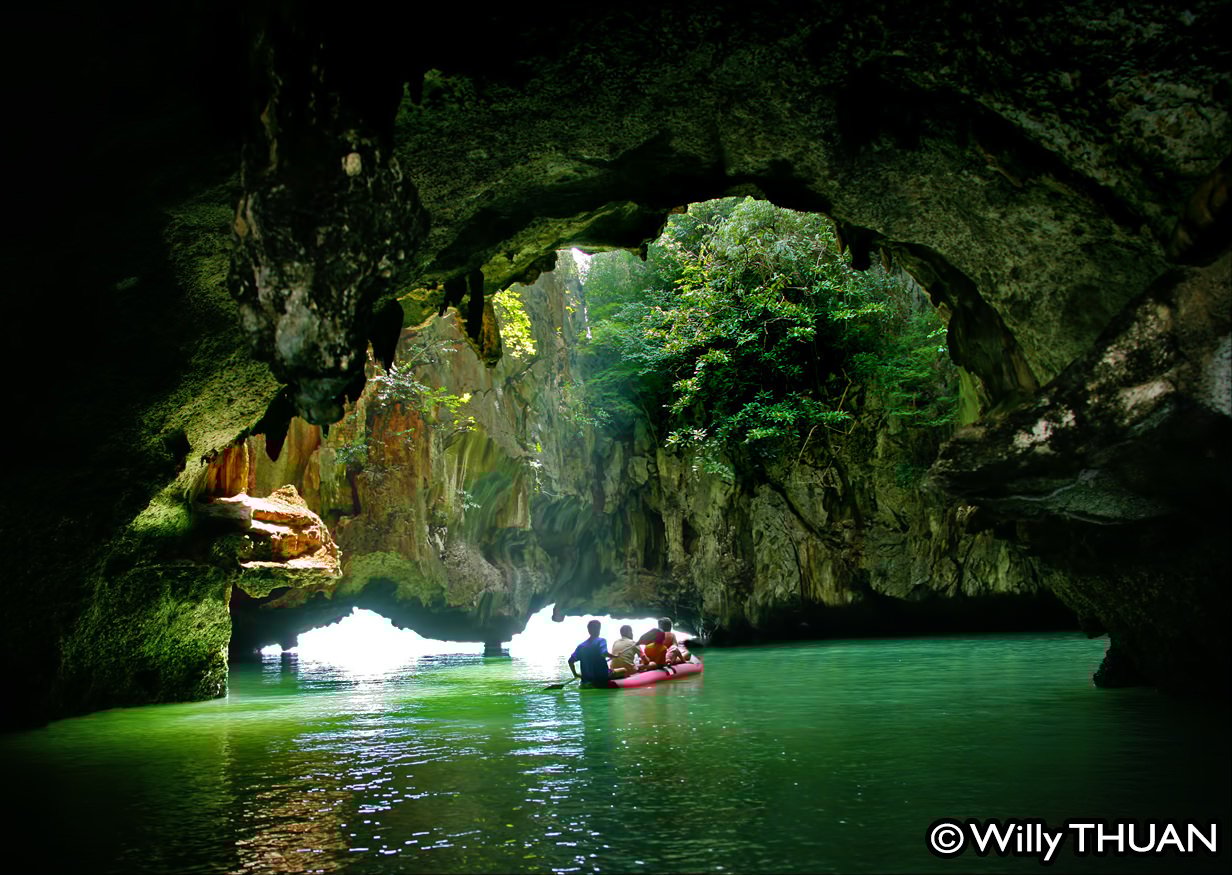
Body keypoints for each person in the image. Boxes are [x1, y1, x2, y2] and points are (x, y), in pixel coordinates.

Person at [568, 620, 631, 686]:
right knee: (624, 670)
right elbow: (604, 653)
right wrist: (615, 656)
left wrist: (575, 674)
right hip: (602, 677)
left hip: (586, 679)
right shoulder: (601, 641)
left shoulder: (581, 646)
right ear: (599, 629)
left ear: (588, 630)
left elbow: (570, 661)